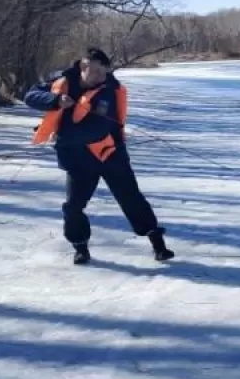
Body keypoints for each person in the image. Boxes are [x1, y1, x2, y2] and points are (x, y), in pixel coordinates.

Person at [25, 47, 174, 265]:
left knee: (131, 199)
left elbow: (95, 129)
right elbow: (30, 95)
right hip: (78, 160)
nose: (100, 77)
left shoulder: (108, 91)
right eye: (95, 72)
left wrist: (63, 135)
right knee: (73, 206)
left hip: (110, 155)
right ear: (83, 67)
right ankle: (80, 247)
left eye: (104, 72)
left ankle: (157, 243)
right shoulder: (63, 82)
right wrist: (55, 101)